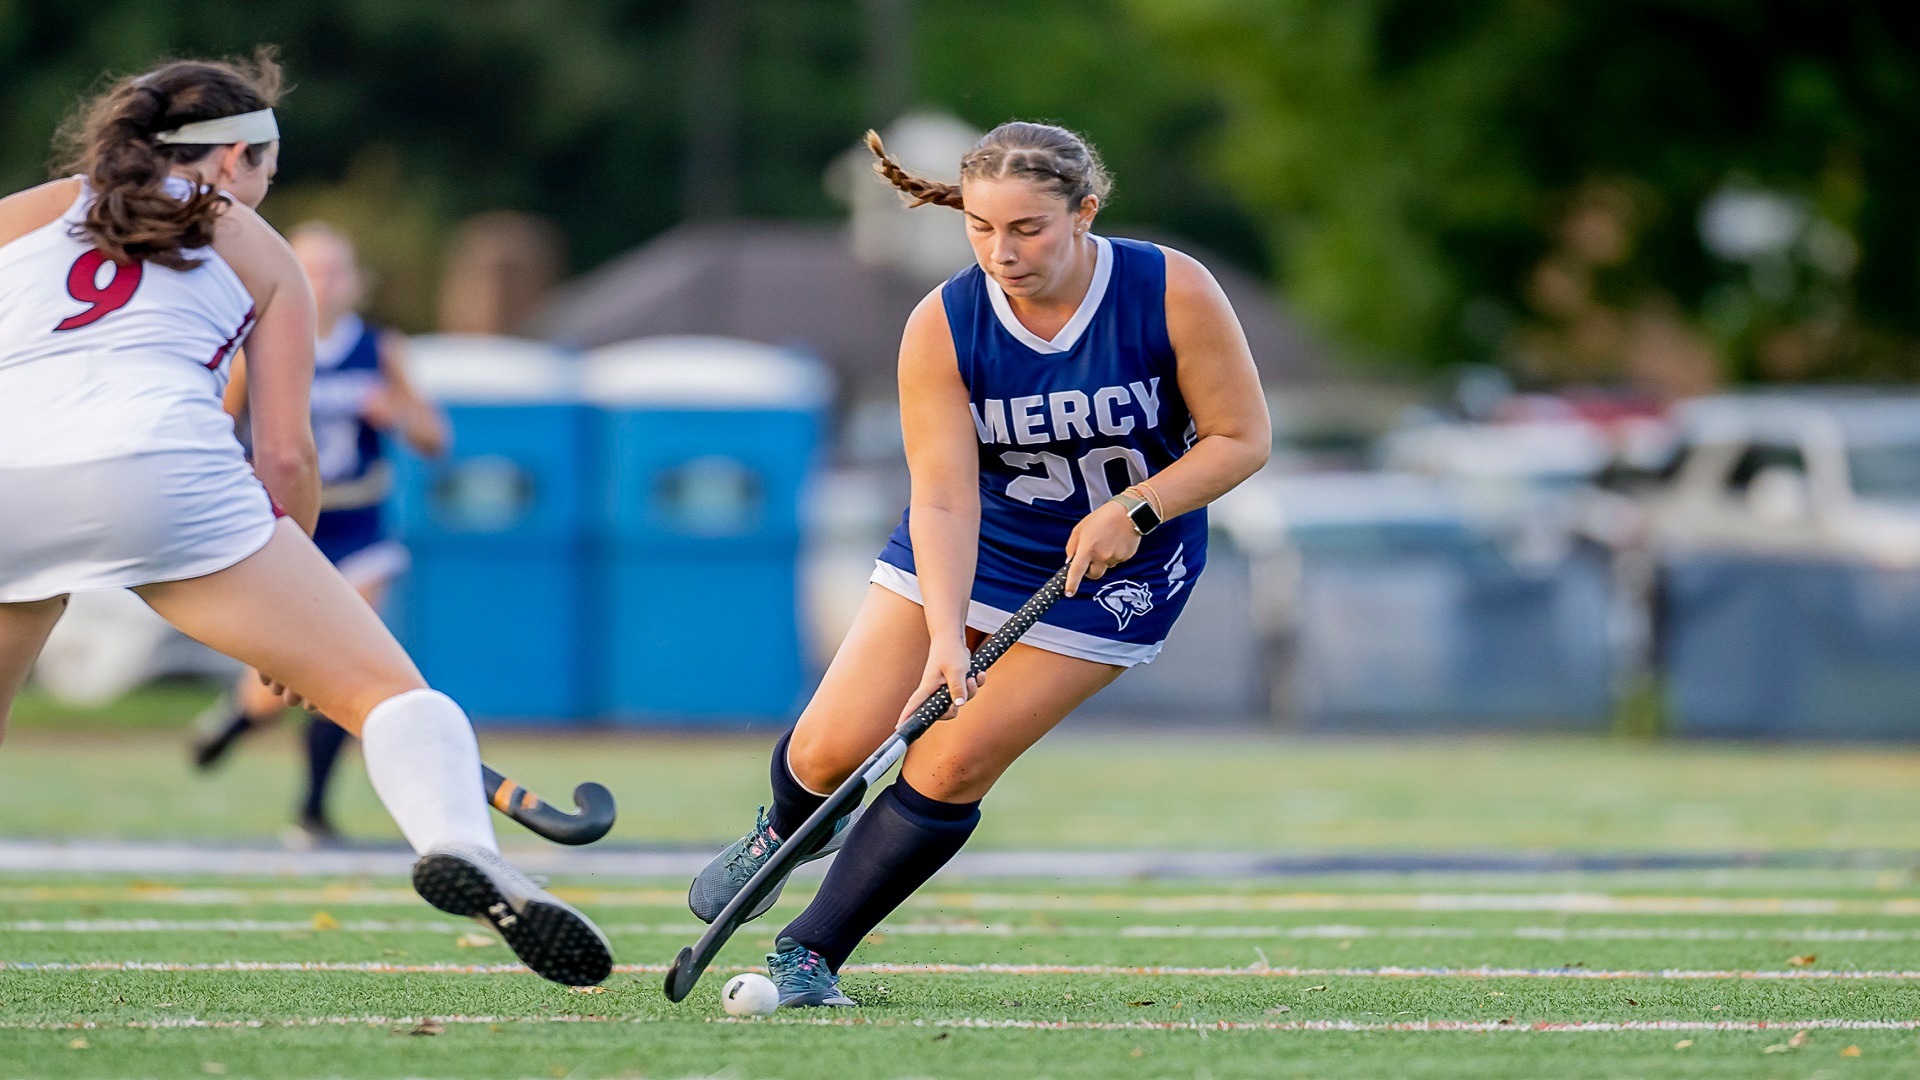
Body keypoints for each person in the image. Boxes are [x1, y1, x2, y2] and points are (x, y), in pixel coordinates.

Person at [0, 53, 612, 987]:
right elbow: (283, 456)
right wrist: (289, 617)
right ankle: (461, 843)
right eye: (267, 176)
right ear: (236, 159)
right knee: (397, 698)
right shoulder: (257, 247)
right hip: (164, 467)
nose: (265, 195)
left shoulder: (24, 214)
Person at [686, 122, 1271, 1006]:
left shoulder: (1169, 290)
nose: (1004, 251)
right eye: (982, 228)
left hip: (1123, 567)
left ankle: (809, 953)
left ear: (1084, 212)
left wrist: (1138, 507)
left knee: (951, 759)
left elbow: (1241, 439)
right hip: (983, 540)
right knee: (829, 748)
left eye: (1028, 228)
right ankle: (785, 829)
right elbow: (947, 498)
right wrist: (944, 640)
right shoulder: (945, 323)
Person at [189, 221, 449, 847]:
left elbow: (436, 439)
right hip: (286, 524)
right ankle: (239, 715)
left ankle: (311, 808)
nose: (326, 283)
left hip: (359, 524)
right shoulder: (262, 342)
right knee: (290, 675)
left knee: (347, 663)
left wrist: (400, 414)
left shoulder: (380, 349)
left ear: (356, 281)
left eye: (337, 270)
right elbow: (215, 427)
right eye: (313, 268)